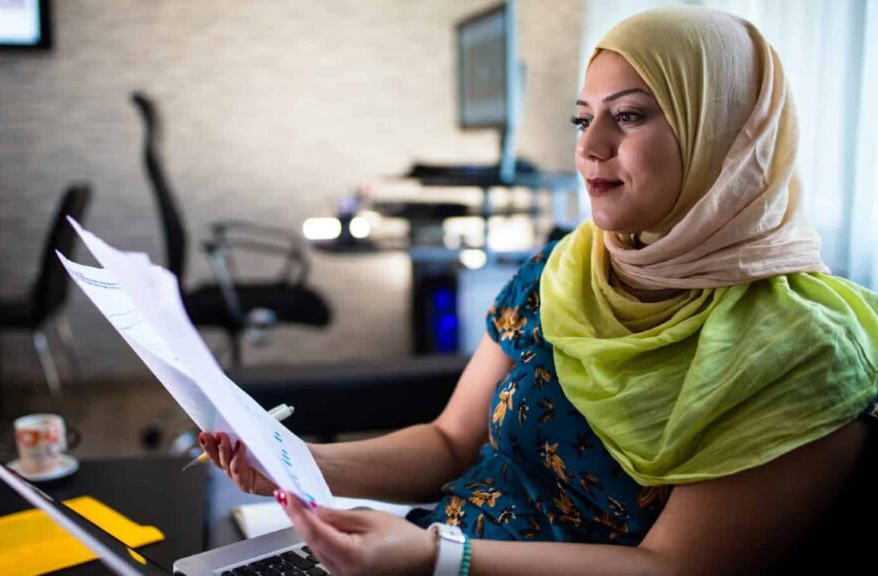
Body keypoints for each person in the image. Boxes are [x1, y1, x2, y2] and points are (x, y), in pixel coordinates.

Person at [200, 7, 878, 575]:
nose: (591, 147)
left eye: (631, 116)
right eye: (584, 119)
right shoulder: (562, 269)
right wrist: (299, 464)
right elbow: (448, 444)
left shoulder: (799, 353)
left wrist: (439, 558)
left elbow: (674, 567)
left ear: (724, 135)